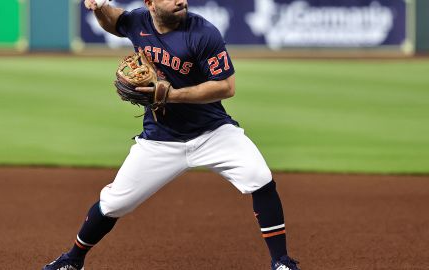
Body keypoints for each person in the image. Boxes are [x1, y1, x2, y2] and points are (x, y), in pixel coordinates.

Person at [42, 0, 300, 269]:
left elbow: (226, 86)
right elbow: (115, 21)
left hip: (212, 133)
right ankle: (72, 260)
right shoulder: (139, 21)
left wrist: (172, 95)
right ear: (150, 4)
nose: (182, 1)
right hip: (159, 139)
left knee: (260, 177)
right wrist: (99, 7)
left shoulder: (203, 32)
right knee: (113, 203)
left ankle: (281, 262)